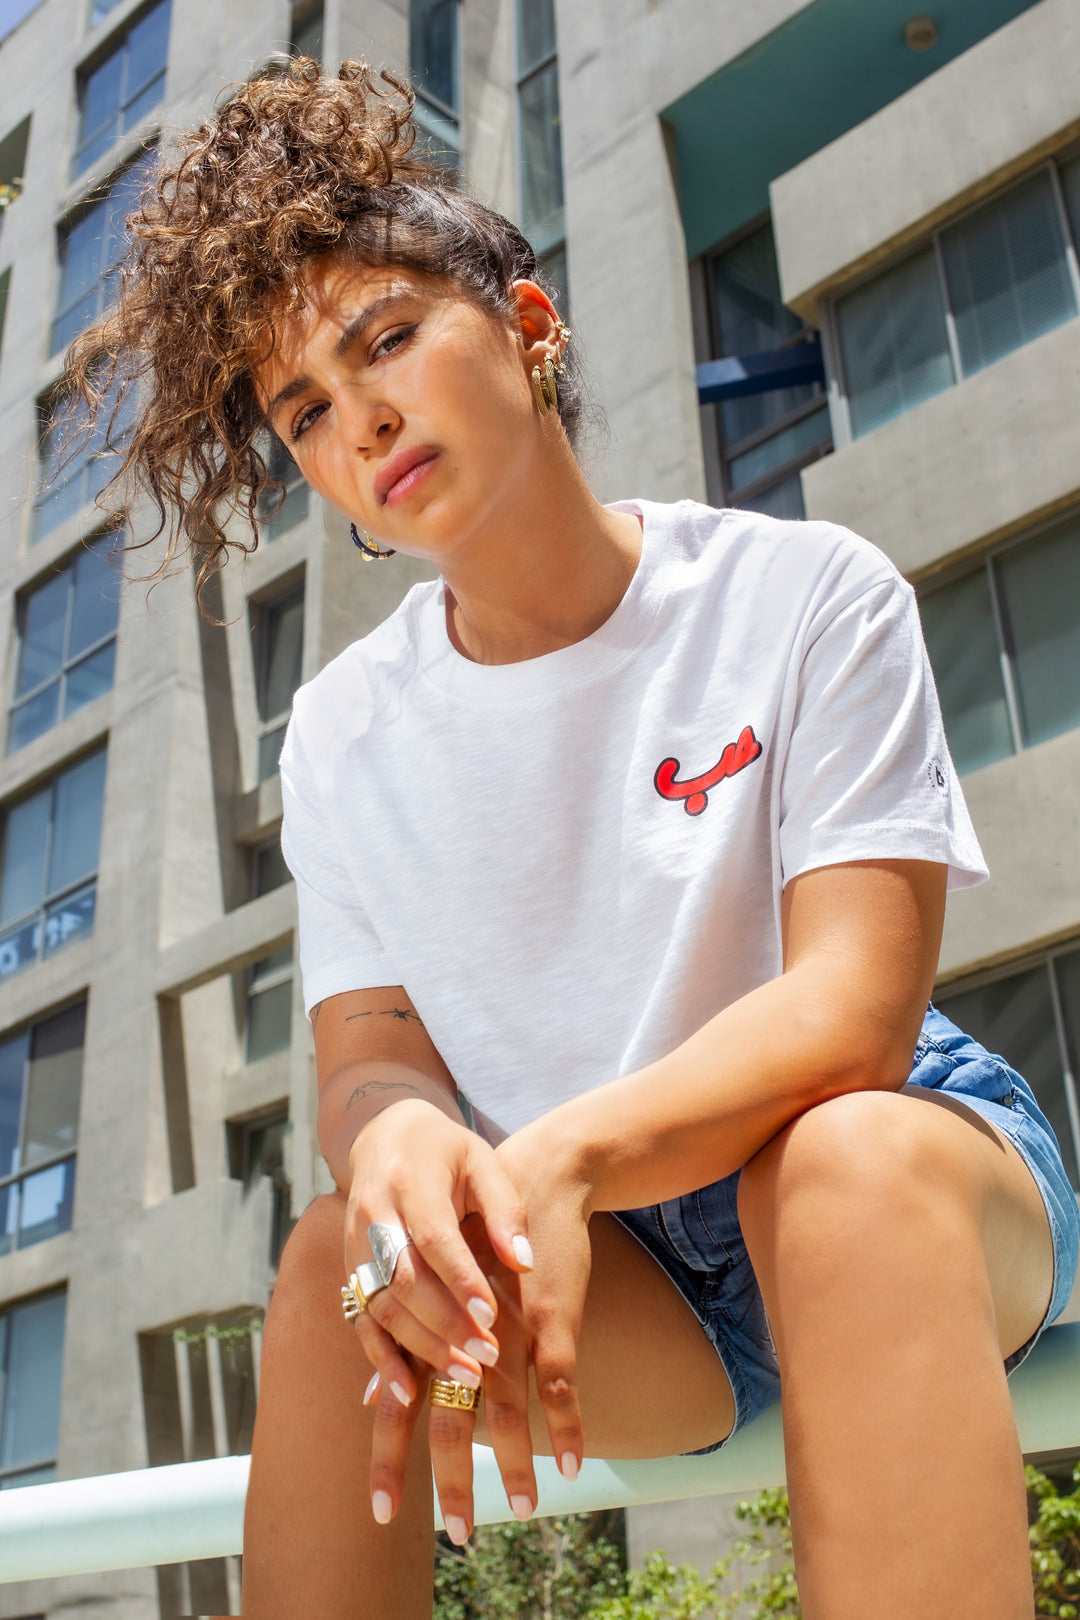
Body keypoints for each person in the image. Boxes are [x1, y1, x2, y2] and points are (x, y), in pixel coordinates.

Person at [68, 59, 1079, 1620]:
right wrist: (402, 1144)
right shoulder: (341, 731)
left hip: (873, 1162)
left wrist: (562, 1153)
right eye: (309, 412)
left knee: (842, 1165)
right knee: (341, 1264)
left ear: (529, 332)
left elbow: (854, 1014)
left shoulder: (806, 594)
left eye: (390, 340)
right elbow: (373, 1052)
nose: (364, 419)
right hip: (618, 1265)